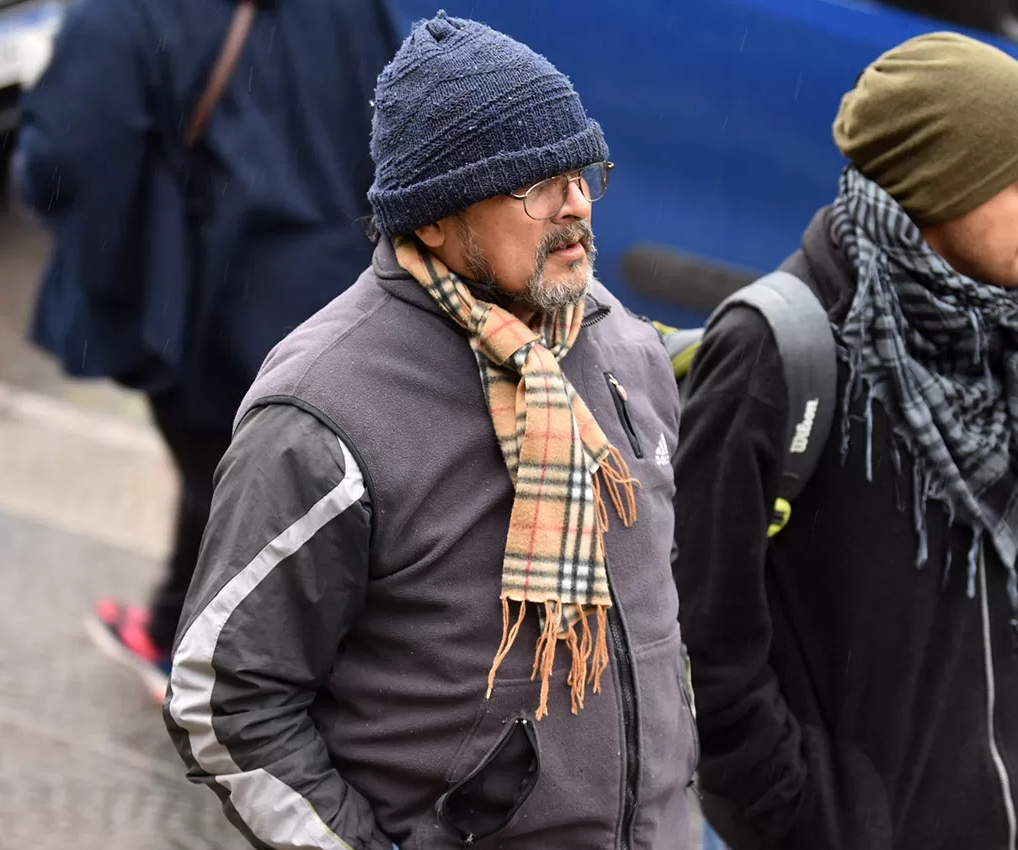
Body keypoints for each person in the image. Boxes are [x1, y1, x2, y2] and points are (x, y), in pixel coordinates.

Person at [161, 14, 697, 849]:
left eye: (584, 169)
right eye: (535, 184)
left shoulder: (622, 346)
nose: (577, 204)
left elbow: (666, 605)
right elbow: (222, 699)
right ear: (435, 221)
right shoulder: (322, 415)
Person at [674, 32, 1018, 850]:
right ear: (944, 186)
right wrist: (805, 812)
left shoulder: (1004, 320)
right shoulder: (778, 352)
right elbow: (702, 636)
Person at [10, 0, 398, 703]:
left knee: (224, 479)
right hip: (342, 290)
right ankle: (173, 633)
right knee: (268, 484)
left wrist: (125, 264)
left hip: (211, 295)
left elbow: (66, 157)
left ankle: (228, 675)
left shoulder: (124, 13)